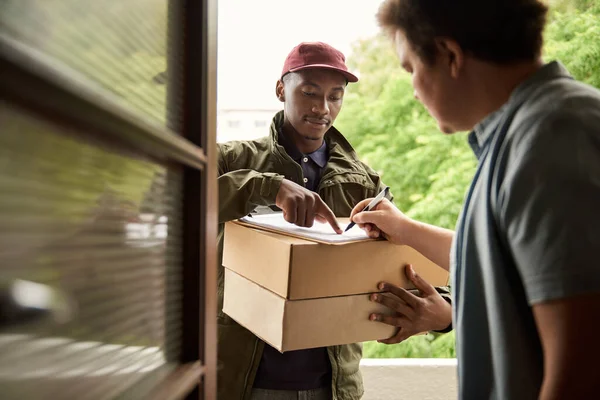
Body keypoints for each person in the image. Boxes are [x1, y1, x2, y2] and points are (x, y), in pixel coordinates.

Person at [350, 0, 600, 399]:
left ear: (450, 55)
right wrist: (403, 229)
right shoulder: (522, 136)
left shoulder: (555, 135)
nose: (413, 90)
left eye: (411, 68)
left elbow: (583, 366)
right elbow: (499, 261)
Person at [217, 42, 452, 400]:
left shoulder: (364, 183)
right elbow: (171, 196)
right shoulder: (232, 160)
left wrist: (445, 310)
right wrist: (267, 187)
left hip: (333, 388)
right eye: (309, 92)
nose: (322, 108)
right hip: (240, 384)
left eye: (335, 97)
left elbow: (404, 262)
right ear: (282, 89)